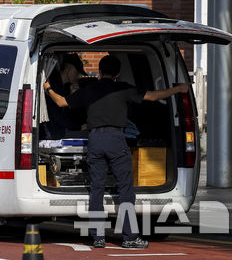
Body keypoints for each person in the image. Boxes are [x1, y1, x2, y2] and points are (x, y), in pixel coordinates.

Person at [43, 55, 189, 249]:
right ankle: (129, 238)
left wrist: (47, 87)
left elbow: (61, 102)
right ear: (118, 73)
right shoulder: (123, 88)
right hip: (116, 140)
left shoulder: (89, 90)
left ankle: (98, 238)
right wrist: (178, 89)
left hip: (94, 140)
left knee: (97, 189)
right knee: (125, 190)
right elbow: (154, 96)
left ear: (99, 72)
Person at [42, 53, 88, 139]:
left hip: (62, 132)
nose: (78, 76)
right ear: (69, 68)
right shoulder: (51, 84)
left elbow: (70, 113)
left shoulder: (68, 88)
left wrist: (73, 96)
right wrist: (78, 127)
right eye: (77, 72)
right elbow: (55, 114)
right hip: (50, 133)